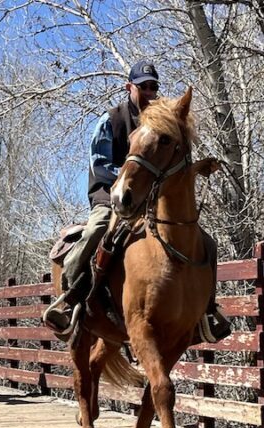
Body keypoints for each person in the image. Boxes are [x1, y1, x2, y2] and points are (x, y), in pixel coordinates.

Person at [43, 61, 231, 344]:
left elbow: (168, 164)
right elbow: (99, 163)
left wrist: (195, 168)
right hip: (112, 192)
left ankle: (206, 310)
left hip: (151, 196)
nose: (148, 90)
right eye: (142, 85)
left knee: (206, 242)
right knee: (99, 228)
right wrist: (131, 178)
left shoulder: (160, 122)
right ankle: (69, 299)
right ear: (129, 87)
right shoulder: (111, 120)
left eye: (153, 85)